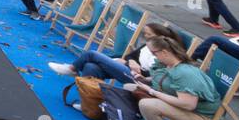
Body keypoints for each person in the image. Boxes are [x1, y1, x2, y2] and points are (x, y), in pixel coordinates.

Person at [127, 35, 222, 120]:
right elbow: (168, 81)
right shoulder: (171, 65)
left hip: (203, 117)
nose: (152, 56)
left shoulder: (185, 73)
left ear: (165, 52)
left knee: (147, 105)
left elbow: (188, 105)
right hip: (189, 108)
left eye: (153, 53)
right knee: (129, 88)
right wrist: (145, 80)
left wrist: (152, 91)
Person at [48, 22, 185, 84]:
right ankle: (90, 102)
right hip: (128, 68)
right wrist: (130, 61)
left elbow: (158, 73)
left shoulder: (164, 52)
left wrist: (132, 66)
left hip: (139, 78)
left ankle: (72, 69)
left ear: (159, 36)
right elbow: (130, 56)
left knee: (92, 54)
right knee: (91, 67)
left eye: (148, 34)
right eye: (145, 34)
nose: (145, 37)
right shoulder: (148, 45)